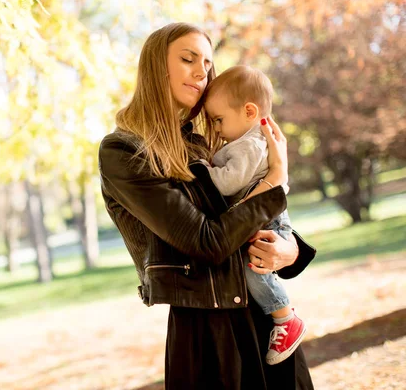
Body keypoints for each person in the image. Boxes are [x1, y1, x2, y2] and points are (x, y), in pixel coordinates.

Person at [98, 22, 316, 389]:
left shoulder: (204, 143)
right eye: (188, 59)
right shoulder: (124, 152)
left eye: (207, 63)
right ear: (156, 68)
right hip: (208, 335)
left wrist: (290, 249)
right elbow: (207, 242)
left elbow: (250, 218)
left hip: (267, 321)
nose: (202, 71)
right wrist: (276, 179)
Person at [203, 65, 306, 366]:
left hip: (268, 220)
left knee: (253, 268)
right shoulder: (249, 141)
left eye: (219, 120)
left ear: (249, 111)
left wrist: (203, 171)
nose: (217, 129)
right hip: (265, 215)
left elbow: (227, 182)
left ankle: (285, 317)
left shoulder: (249, 145)